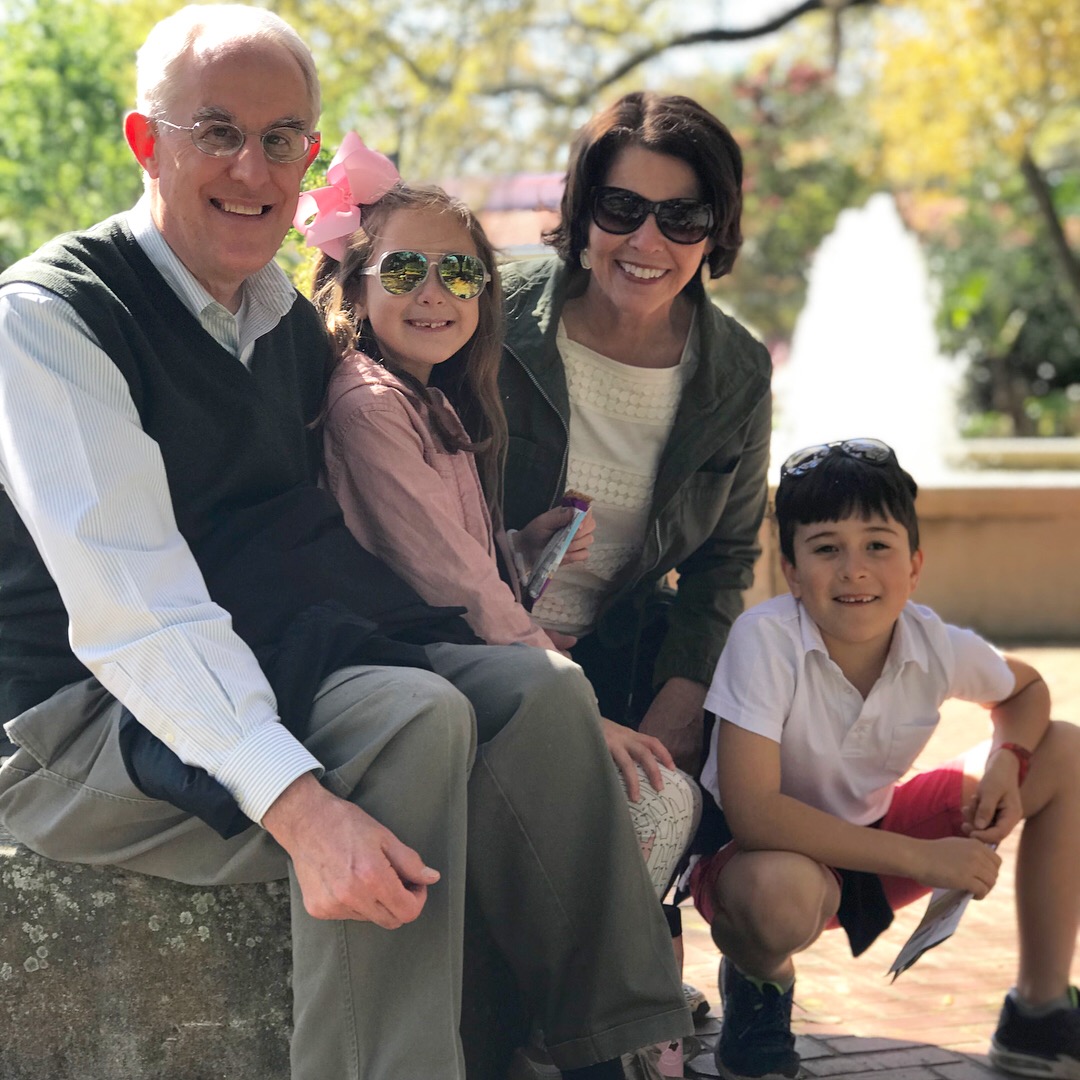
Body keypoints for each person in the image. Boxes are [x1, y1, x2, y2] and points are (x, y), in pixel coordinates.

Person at [0, 7, 692, 1079]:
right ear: (145, 142)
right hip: (80, 720)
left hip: (268, 659)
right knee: (409, 718)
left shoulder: (278, 320)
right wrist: (302, 809)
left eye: (282, 139)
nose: (253, 168)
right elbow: (138, 614)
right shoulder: (53, 319)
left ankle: (613, 1043)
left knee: (542, 697)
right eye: (217, 131)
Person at [690, 438, 1080, 1080]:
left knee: (1062, 748)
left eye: (877, 545)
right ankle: (762, 985)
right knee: (777, 894)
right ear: (791, 571)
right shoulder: (765, 640)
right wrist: (925, 859)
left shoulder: (930, 642)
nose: (855, 570)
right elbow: (755, 814)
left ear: (914, 565)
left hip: (872, 840)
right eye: (826, 548)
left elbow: (1027, 689)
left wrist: (1006, 761)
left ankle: (1038, 1014)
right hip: (762, 861)